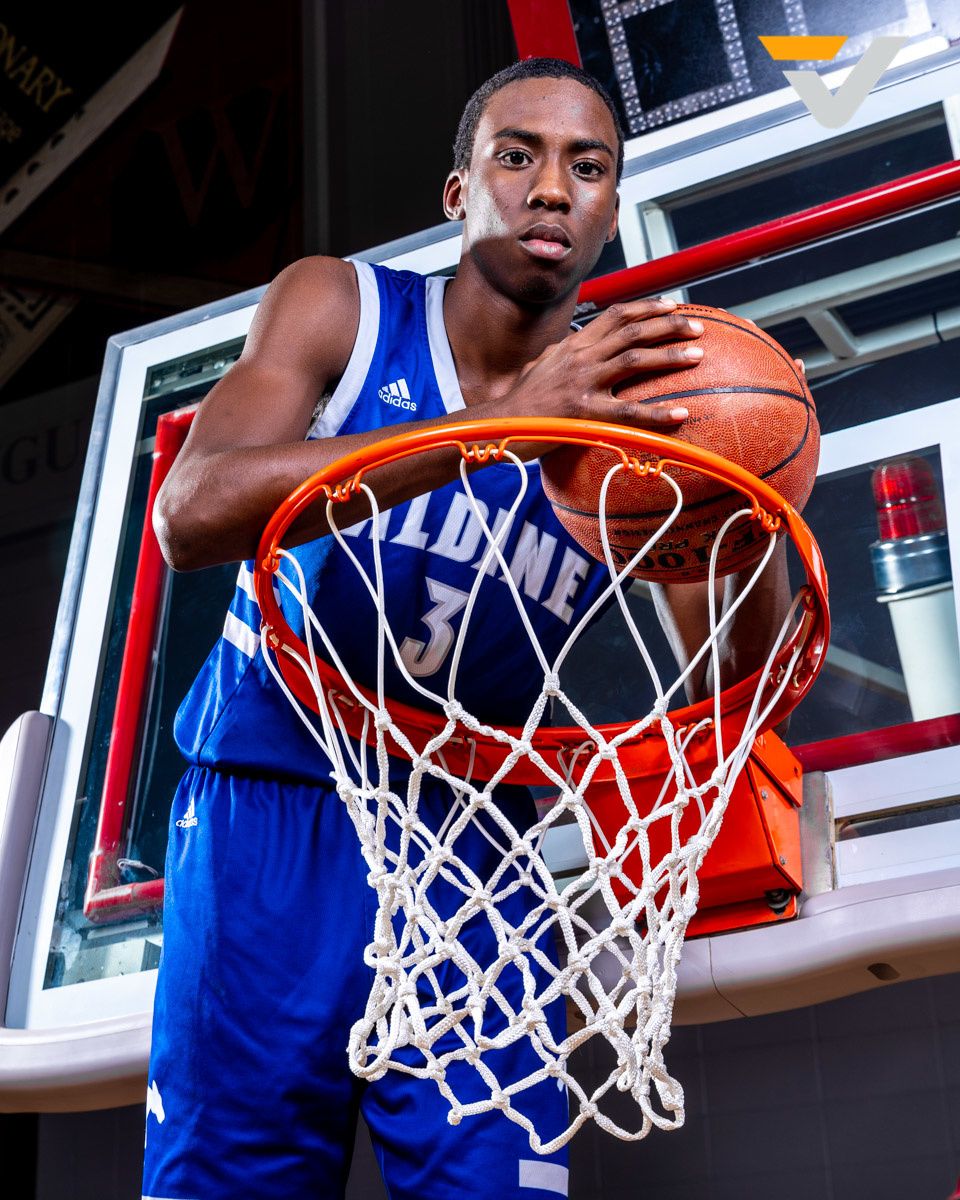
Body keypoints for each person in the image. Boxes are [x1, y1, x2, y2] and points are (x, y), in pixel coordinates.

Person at [143, 58, 796, 1200]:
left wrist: (746, 497)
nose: (551, 188)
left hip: (476, 842)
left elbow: (738, 677)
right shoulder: (344, 307)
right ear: (458, 193)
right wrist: (496, 428)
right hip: (272, 802)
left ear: (611, 211)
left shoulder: (633, 410)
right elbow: (189, 517)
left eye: (588, 167)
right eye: (517, 155)